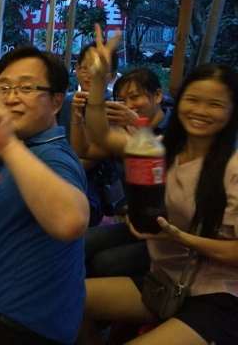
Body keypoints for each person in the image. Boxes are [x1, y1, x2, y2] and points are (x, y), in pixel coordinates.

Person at [77, 28, 238, 345]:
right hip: (165, 281)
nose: (200, 110)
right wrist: (97, 82)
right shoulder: (162, 149)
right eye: (192, 100)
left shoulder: (233, 169)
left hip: (218, 297)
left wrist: (177, 237)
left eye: (215, 104)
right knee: (61, 300)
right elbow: (101, 137)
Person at [0, 45, 89, 344]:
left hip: (14, 327)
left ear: (56, 102)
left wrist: (7, 144)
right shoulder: (28, 147)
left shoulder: (54, 157)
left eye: (26, 88)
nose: (11, 98)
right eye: (5, 88)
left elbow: (70, 221)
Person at [78, 64, 172, 278]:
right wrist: (77, 116)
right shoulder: (123, 129)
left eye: (135, 97)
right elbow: (85, 149)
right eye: (121, 100)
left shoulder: (175, 130)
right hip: (137, 222)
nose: (128, 105)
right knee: (78, 243)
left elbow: (159, 167)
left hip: (168, 228)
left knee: (105, 262)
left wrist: (139, 126)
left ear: (158, 96)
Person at [57, 42, 121, 226]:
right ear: (76, 69)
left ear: (112, 76)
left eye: (98, 69)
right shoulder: (66, 101)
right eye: (85, 67)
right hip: (59, 178)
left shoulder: (115, 110)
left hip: (90, 192)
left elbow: (91, 157)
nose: (90, 74)